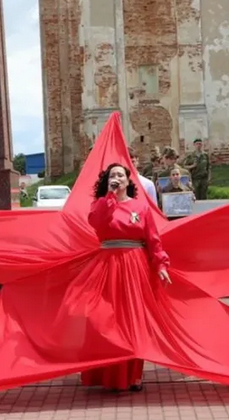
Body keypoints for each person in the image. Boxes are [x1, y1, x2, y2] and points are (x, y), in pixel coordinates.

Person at [81, 163, 171, 391]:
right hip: (107, 266)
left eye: (121, 175)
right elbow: (96, 223)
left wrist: (161, 264)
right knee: (103, 319)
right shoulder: (101, 204)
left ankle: (134, 376)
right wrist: (109, 197)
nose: (117, 178)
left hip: (134, 266)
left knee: (132, 319)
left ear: (129, 181)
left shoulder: (141, 207)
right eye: (113, 175)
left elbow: (153, 239)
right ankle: (104, 372)